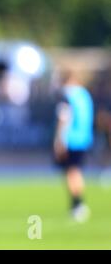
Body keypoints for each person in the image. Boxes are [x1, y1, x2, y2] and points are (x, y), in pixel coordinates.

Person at [53, 69, 94, 223]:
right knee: (76, 171)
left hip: (71, 139)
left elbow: (64, 118)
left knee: (71, 172)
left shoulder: (66, 95)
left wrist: (59, 140)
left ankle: (77, 205)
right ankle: (78, 205)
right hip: (84, 138)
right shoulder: (84, 94)